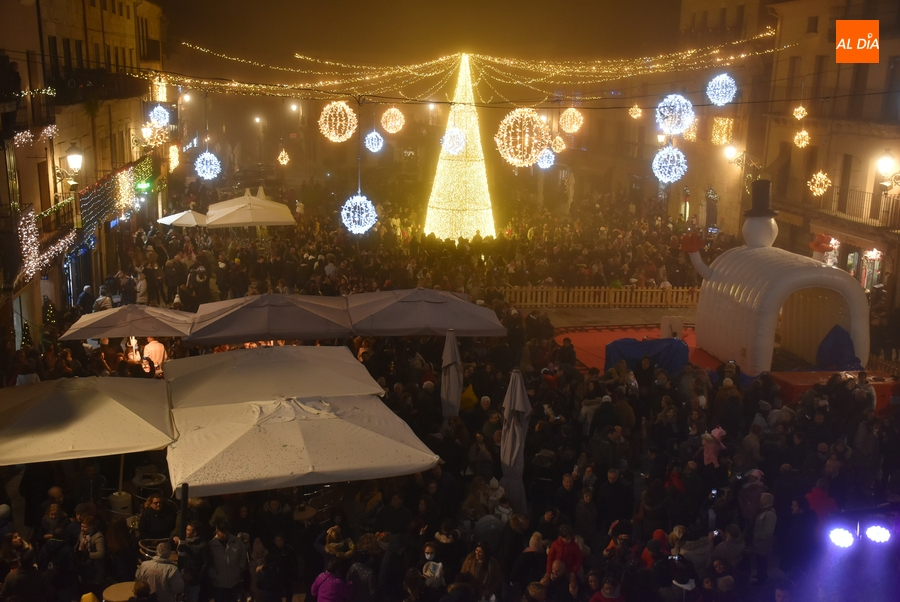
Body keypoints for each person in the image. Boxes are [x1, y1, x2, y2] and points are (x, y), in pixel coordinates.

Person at [208, 521, 247, 602]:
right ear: (217, 531)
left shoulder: (237, 542)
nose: (224, 535)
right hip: (219, 582)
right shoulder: (211, 545)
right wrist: (213, 574)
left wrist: (240, 568)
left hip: (234, 580)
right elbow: (208, 562)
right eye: (222, 532)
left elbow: (243, 555)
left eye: (226, 532)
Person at [174, 520, 207, 602]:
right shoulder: (184, 542)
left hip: (194, 580)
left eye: (188, 530)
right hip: (182, 577)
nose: (185, 532)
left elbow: (206, 563)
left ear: (194, 533)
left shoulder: (202, 545)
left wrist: (196, 578)